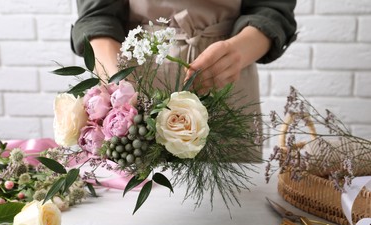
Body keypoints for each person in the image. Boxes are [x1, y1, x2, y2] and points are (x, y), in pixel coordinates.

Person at [70, 0, 297, 160]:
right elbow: (97, 15)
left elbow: (272, 9)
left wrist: (237, 52)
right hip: (136, 79)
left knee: (233, 212)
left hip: (226, 77)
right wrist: (117, 84)